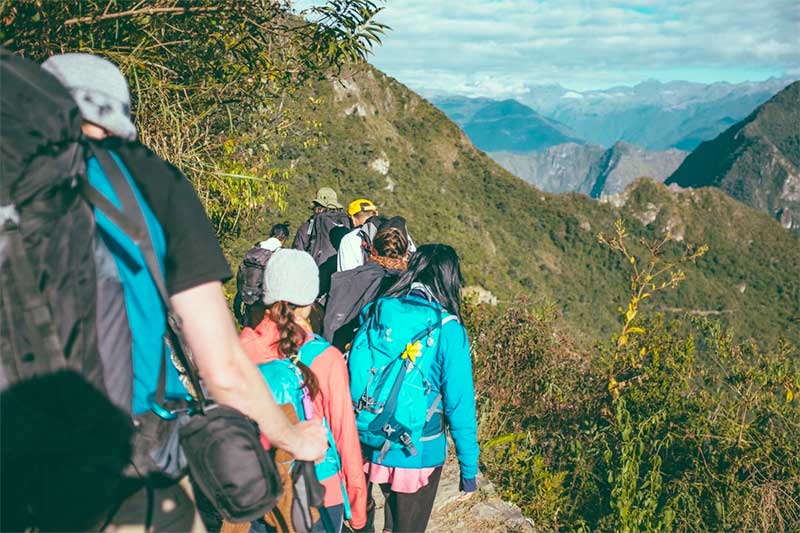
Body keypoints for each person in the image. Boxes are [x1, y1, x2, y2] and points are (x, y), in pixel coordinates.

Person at [37, 52, 327, 528]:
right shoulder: (148, 181)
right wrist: (296, 438)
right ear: (119, 117)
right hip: (124, 467)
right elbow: (223, 369)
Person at [351, 245, 479, 533]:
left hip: (373, 435)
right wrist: (468, 468)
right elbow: (460, 405)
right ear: (449, 279)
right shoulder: (448, 328)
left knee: (389, 516)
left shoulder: (379, 308)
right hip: (417, 449)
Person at [240, 249, 367, 532]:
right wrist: (357, 507)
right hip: (316, 492)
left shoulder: (243, 349)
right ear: (310, 301)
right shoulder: (326, 358)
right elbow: (344, 437)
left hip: (258, 492)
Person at [324, 227, 409, 352]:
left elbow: (333, 322)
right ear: (405, 254)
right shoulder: (407, 286)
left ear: (373, 250)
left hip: (344, 352)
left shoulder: (351, 277)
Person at [233, 222, 291, 327]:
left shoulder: (255, 249)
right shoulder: (279, 253)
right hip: (265, 305)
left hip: (247, 301)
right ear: (284, 238)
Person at [293, 187, 351, 266]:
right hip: (340, 272)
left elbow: (297, 254)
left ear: (318, 208)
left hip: (316, 272)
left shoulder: (307, 226)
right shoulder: (345, 221)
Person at [337, 198, 382, 272]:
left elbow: (346, 275)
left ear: (352, 219)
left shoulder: (349, 239)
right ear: (375, 214)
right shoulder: (392, 232)